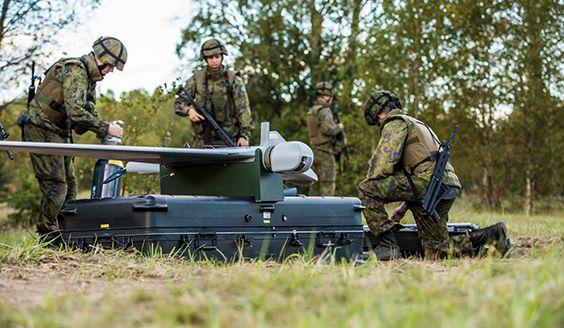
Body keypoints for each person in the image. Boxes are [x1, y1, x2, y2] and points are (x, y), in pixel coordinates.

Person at [358, 91, 510, 260]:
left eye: (377, 121)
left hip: (428, 185)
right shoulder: (417, 123)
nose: (379, 124)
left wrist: (372, 186)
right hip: (444, 185)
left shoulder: (395, 123)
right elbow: (417, 169)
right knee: (435, 251)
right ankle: (491, 235)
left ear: (379, 113)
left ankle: (388, 246)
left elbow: (382, 163)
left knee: (367, 188)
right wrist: (404, 207)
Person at [19, 36, 127, 242]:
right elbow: (76, 112)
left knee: (70, 184)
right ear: (102, 59)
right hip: (40, 127)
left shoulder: (89, 79)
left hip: (60, 131)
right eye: (111, 66)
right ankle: (48, 236)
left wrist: (104, 128)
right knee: (56, 185)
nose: (111, 71)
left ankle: (67, 234)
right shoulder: (75, 70)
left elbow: (83, 118)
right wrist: (105, 128)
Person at [174, 38, 253, 147]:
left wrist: (244, 136)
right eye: (210, 57)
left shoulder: (233, 79)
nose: (214, 60)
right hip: (202, 141)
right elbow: (179, 103)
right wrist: (189, 111)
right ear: (205, 59)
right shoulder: (197, 79)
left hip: (229, 138)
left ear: (222, 57)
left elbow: (243, 110)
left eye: (217, 57)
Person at [306, 82, 346, 196]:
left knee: (314, 186)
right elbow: (328, 130)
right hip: (326, 153)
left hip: (314, 152)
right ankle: (326, 213)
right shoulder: (325, 110)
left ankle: (311, 213)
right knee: (327, 186)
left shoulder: (312, 111)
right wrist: (340, 126)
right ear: (327, 96)